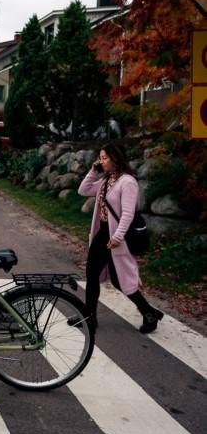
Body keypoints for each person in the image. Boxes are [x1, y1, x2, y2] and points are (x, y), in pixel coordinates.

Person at [77, 141, 162, 333]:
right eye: (100, 158)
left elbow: (127, 213)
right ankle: (90, 317)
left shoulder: (128, 182)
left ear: (116, 158)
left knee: (120, 280)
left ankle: (149, 313)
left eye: (105, 158)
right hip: (102, 234)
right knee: (92, 275)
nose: (101, 161)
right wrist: (93, 170)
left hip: (116, 238)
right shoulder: (106, 180)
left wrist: (118, 236)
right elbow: (82, 190)